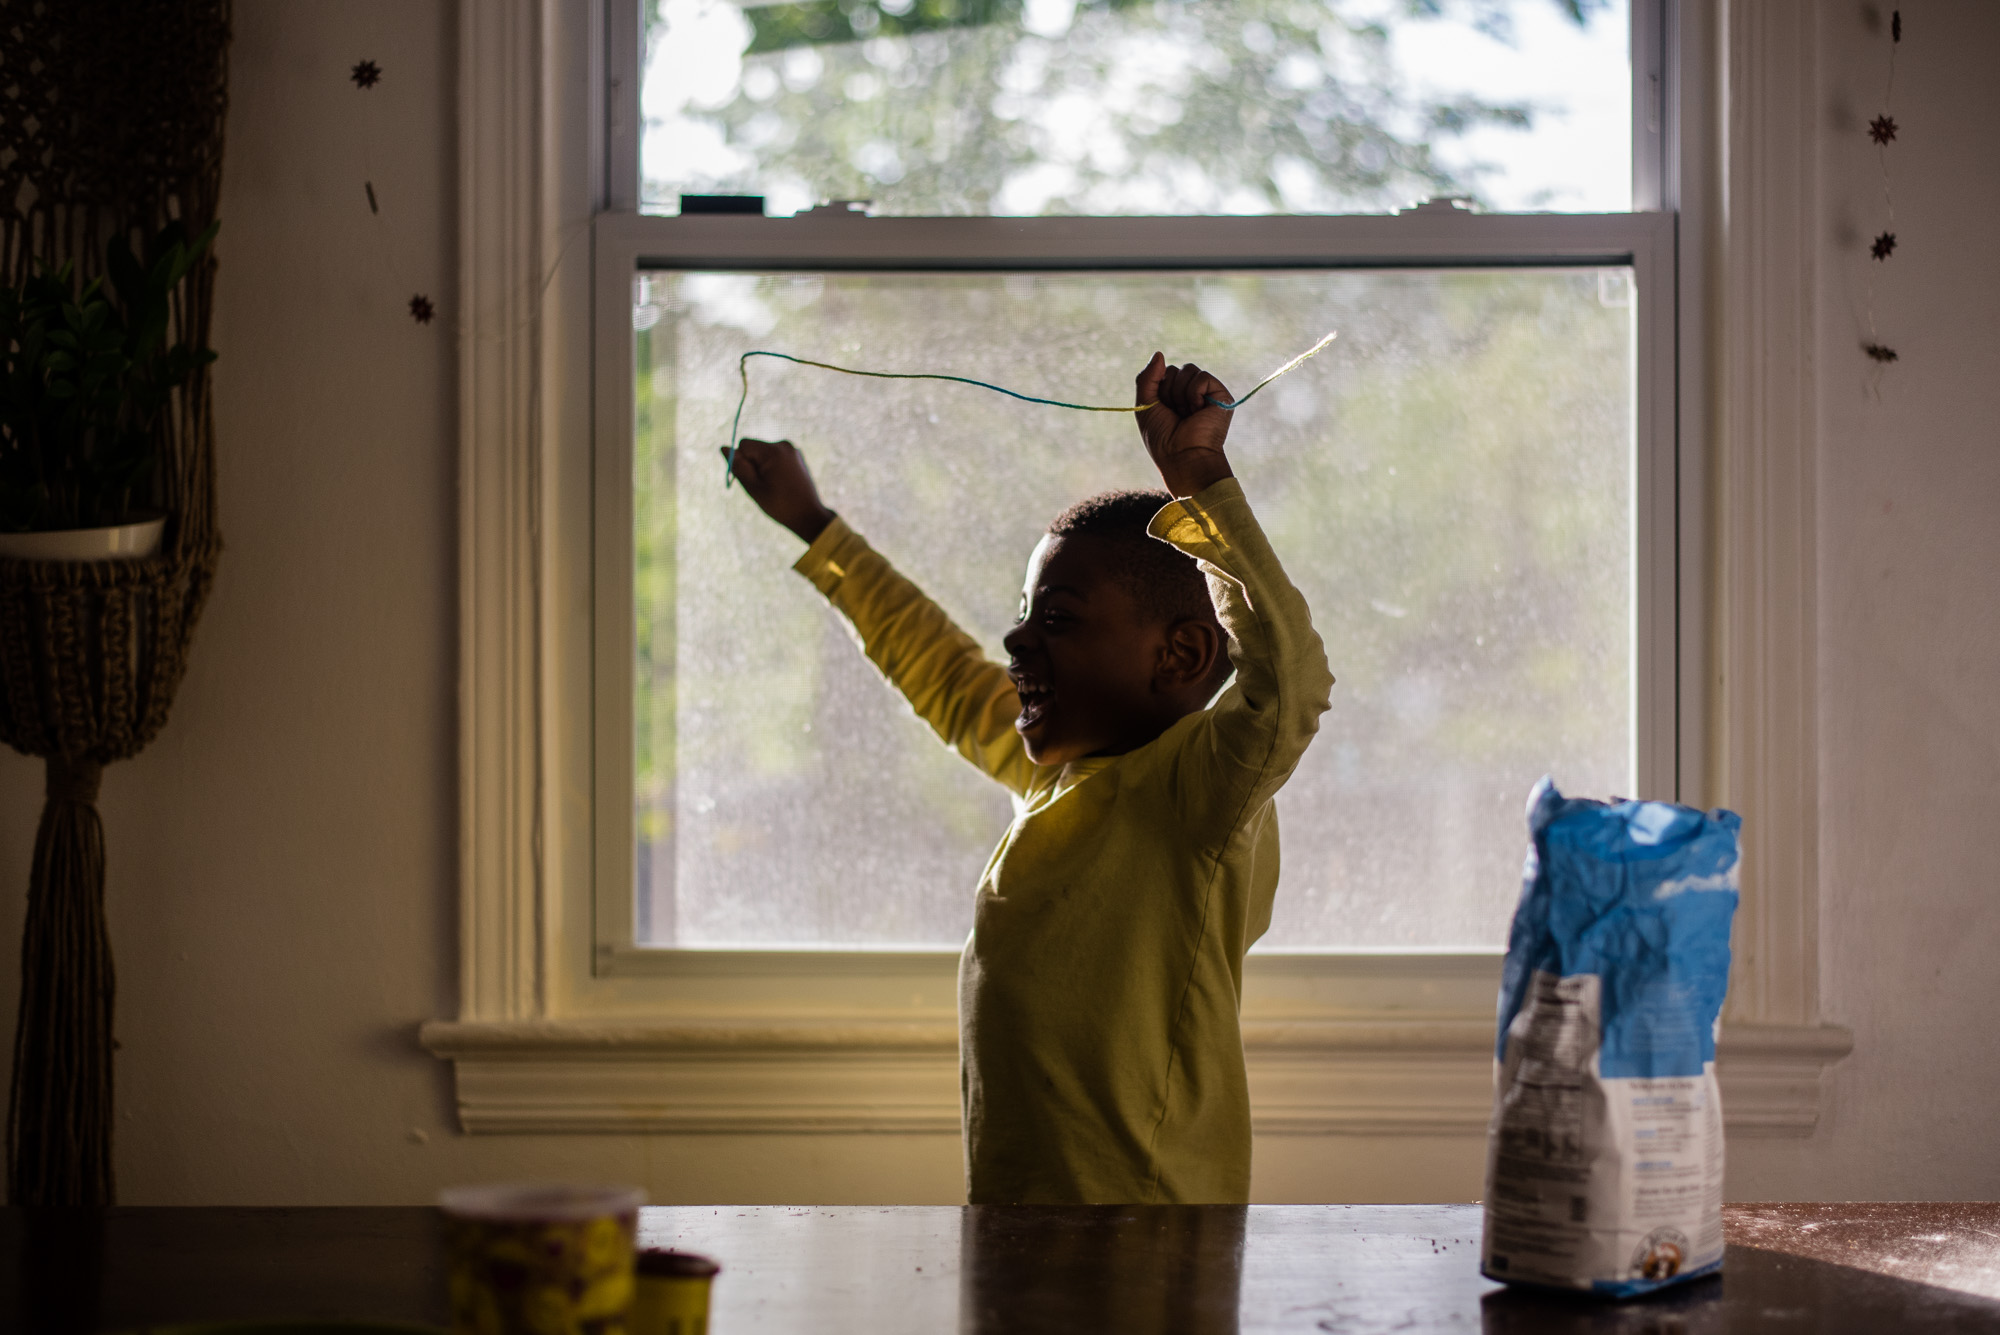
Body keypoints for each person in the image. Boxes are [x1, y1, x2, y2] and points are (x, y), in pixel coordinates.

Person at [726, 352, 1335, 1204]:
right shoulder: (1058, 777)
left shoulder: (1198, 799)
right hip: (1019, 1238)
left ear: (1183, 654)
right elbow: (939, 667)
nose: (1016, 643)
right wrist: (816, 527)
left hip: (1152, 1253)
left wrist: (1200, 480)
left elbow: (1290, 679)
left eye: (1056, 620)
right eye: (1023, 617)